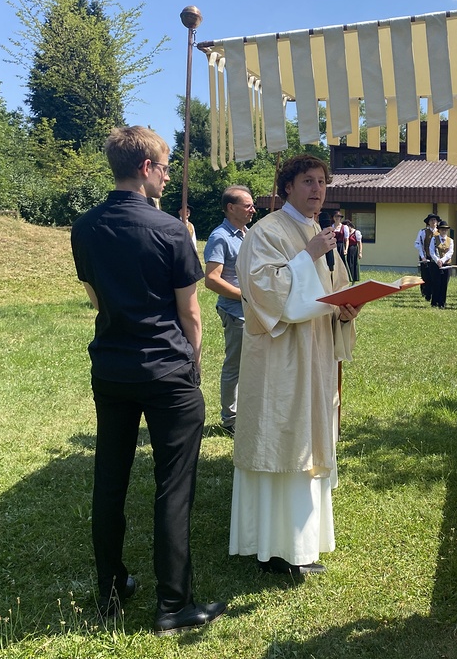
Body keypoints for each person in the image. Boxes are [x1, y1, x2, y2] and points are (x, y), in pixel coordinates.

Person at [70, 126, 226, 636]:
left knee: (109, 480)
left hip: (112, 368)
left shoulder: (84, 227)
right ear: (145, 168)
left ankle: (111, 591)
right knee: (173, 487)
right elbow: (190, 312)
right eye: (163, 167)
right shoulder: (171, 231)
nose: (166, 175)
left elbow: (95, 297)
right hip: (166, 372)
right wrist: (193, 364)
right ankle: (173, 605)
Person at [230, 154, 360, 576]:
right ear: (287, 186)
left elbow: (334, 291)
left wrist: (346, 311)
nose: (317, 189)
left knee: (308, 442)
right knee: (282, 440)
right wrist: (307, 256)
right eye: (307, 181)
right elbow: (264, 292)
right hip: (280, 360)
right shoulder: (266, 231)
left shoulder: (318, 233)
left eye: (321, 181)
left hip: (315, 356)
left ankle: (302, 542)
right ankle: (273, 546)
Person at [203, 185, 255, 437]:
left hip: (252, 311)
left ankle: (247, 414)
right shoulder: (220, 237)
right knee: (235, 366)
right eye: (248, 205)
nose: (253, 209)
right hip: (236, 313)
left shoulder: (247, 234)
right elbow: (211, 279)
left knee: (253, 365)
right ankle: (230, 420)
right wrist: (245, 297)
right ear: (231, 208)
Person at [429, 220, 454, 308]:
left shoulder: (450, 240)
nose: (444, 231)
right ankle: (434, 302)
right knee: (436, 283)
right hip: (435, 264)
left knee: (444, 284)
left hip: (446, 264)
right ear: (439, 230)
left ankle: (442, 303)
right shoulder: (434, 239)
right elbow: (431, 251)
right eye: (442, 229)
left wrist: (442, 260)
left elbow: (450, 252)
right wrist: (437, 260)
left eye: (445, 229)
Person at [415, 214, 440, 301]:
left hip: (436, 258)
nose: (433, 222)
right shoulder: (423, 232)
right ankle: (426, 294)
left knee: (435, 277)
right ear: (428, 222)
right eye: (431, 220)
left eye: (435, 220)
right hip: (426, 257)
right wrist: (423, 257)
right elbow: (418, 244)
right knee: (426, 276)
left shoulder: (439, 232)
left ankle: (434, 293)